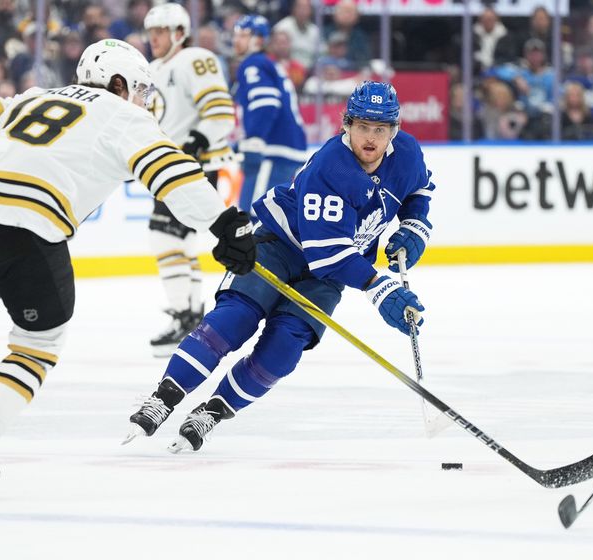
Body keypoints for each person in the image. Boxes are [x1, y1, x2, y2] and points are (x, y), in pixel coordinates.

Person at [0, 39, 256, 500]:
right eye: (139, 89)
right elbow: (171, 171)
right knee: (38, 344)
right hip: (28, 222)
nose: (144, 101)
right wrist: (223, 224)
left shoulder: (33, 95)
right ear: (118, 83)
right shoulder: (123, 114)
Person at [124, 81, 435, 453]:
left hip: (331, 274)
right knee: (233, 319)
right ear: (346, 125)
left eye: (380, 129)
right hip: (280, 246)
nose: (371, 138)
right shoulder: (331, 167)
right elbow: (327, 252)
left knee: (284, 347)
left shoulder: (408, 154)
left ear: (394, 132)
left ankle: (212, 411)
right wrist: (379, 286)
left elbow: (420, 188)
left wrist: (416, 225)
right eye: (363, 127)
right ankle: (164, 398)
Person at [143, 2, 237, 358]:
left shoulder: (194, 58)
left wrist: (197, 141)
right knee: (176, 239)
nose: (154, 39)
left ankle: (186, 314)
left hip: (192, 165)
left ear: (179, 33)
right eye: (151, 32)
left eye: (161, 32)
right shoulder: (151, 68)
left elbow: (220, 111)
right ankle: (191, 314)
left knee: (163, 234)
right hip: (166, 166)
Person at [233, 14, 307, 216]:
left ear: (258, 40)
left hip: (274, 149)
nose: (236, 40)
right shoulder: (267, 64)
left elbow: (266, 103)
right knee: (270, 214)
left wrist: (255, 139)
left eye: (242, 35)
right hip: (286, 148)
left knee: (256, 214)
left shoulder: (253, 64)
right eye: (236, 35)